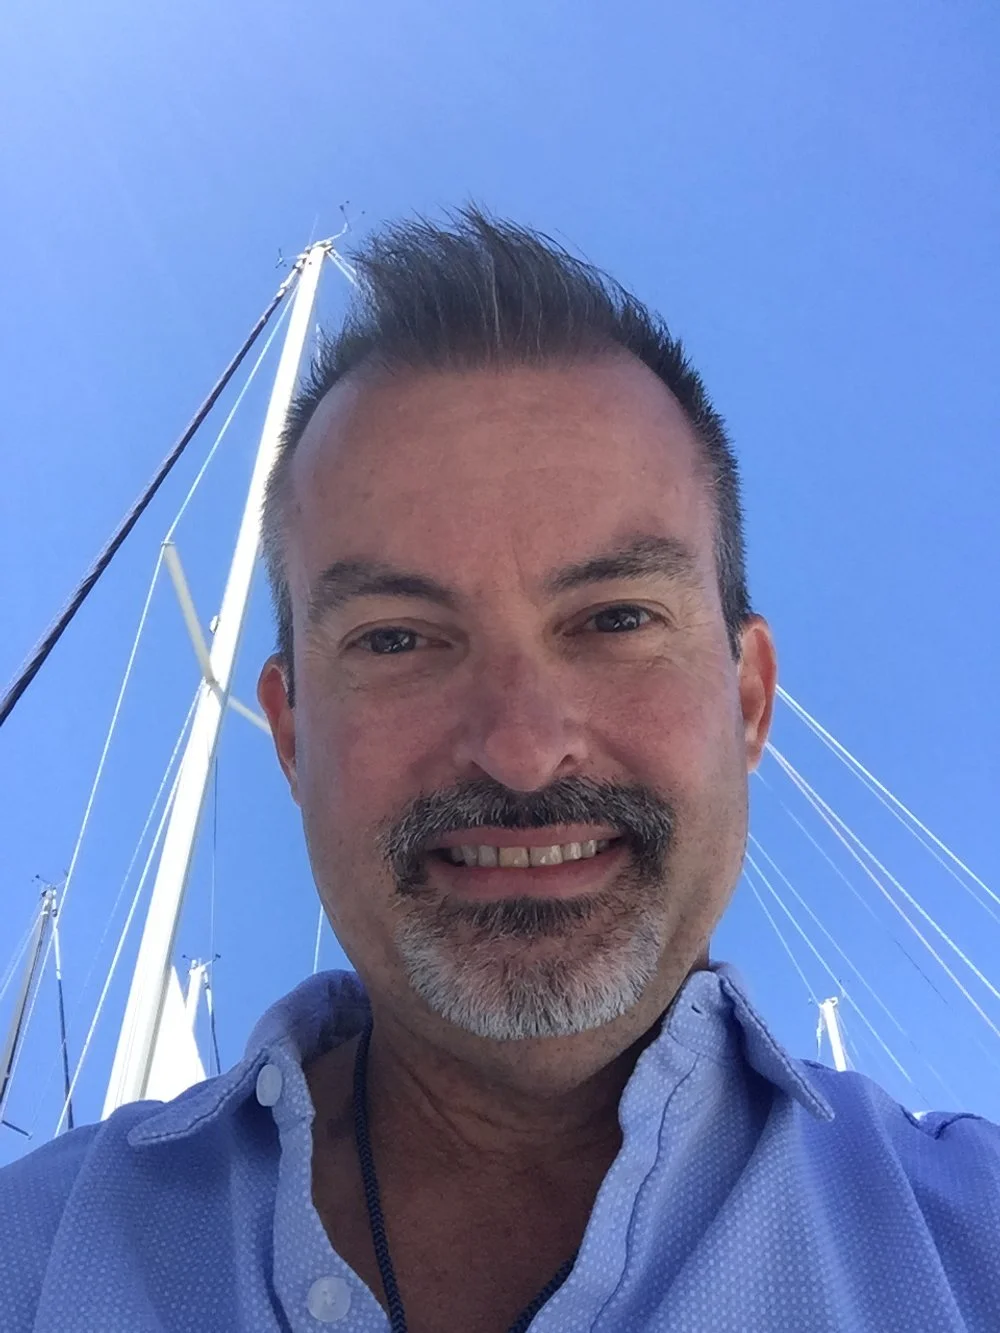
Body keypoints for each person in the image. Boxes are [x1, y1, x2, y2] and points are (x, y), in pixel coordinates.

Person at [1, 208, 997, 1333]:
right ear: (289, 732)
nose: (522, 749)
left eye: (616, 616)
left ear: (747, 697)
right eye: (395, 638)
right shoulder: (34, 1263)